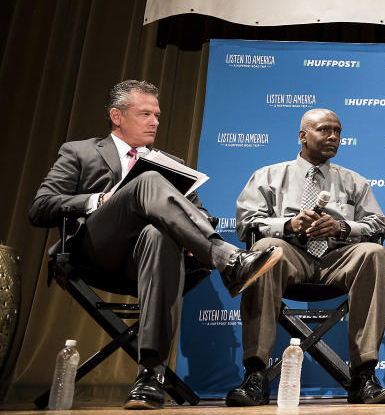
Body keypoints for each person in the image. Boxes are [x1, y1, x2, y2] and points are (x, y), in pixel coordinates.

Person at [29, 80, 282, 410]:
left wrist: (190, 235)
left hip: (148, 259)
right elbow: (41, 206)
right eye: (145, 113)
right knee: (148, 180)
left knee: (159, 235)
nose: (155, 122)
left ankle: (150, 375)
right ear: (116, 116)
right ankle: (228, 259)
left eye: (158, 115)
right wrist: (98, 200)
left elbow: (200, 214)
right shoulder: (80, 151)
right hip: (97, 249)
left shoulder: (167, 161)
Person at [227, 108, 385, 406]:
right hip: (289, 257)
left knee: (373, 252)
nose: (333, 136)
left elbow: (378, 224)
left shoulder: (353, 180)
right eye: (324, 130)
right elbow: (247, 224)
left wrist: (342, 227)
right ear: (302, 136)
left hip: (336, 259)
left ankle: (364, 375)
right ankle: (255, 375)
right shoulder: (268, 175)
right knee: (264, 249)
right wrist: (288, 225)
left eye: (338, 131)